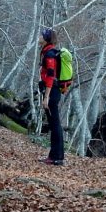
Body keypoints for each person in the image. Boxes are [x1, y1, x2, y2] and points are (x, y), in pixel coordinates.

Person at [38, 27, 64, 166]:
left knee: (55, 125)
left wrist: (46, 97)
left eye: (41, 36)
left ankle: (56, 157)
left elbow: (50, 76)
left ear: (46, 39)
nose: (39, 37)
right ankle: (55, 156)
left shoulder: (49, 54)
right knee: (54, 124)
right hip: (52, 91)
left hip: (52, 92)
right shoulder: (48, 51)